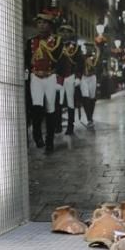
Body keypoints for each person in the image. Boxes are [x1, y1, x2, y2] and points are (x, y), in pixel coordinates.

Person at [25, 10, 65, 152]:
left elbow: (61, 62)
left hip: (50, 77)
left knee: (50, 109)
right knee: (36, 108)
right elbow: (27, 61)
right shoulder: (31, 41)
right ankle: (37, 137)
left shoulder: (56, 41)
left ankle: (49, 142)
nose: (41, 25)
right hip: (35, 77)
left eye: (44, 23)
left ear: (50, 25)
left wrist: (59, 80)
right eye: (39, 23)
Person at [57, 25, 82, 135]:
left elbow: (80, 63)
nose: (65, 34)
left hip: (70, 76)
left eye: (67, 32)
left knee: (70, 102)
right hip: (58, 77)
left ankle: (70, 126)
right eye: (63, 32)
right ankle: (57, 125)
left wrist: (78, 77)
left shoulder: (76, 48)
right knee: (57, 101)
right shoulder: (56, 46)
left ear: (71, 34)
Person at [79, 42, 99, 129]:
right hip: (84, 77)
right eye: (87, 47)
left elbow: (97, 66)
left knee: (92, 98)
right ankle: (89, 118)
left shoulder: (95, 57)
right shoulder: (82, 56)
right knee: (85, 97)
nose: (88, 49)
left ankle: (90, 117)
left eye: (90, 47)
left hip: (92, 77)